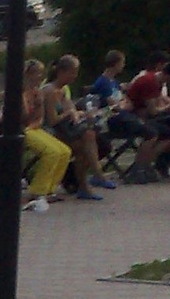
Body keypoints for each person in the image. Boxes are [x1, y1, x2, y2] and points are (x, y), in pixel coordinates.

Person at [90, 50, 166, 183]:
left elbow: (126, 102)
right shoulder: (103, 83)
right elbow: (114, 106)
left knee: (153, 130)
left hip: (123, 116)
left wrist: (124, 103)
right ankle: (139, 170)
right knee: (151, 133)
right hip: (111, 120)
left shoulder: (113, 82)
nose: (123, 65)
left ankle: (143, 168)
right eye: (122, 62)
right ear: (116, 63)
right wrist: (123, 104)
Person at [43, 55, 112, 200]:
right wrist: (69, 113)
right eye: (73, 72)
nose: (75, 76)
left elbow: (71, 109)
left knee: (86, 140)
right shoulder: (50, 91)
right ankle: (97, 176)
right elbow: (51, 121)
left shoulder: (62, 90)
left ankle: (87, 185)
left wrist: (79, 114)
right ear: (61, 72)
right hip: (51, 133)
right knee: (88, 138)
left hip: (65, 130)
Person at [21, 57, 71, 204]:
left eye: (41, 73)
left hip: (34, 128)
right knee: (51, 152)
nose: (40, 77)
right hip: (22, 130)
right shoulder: (21, 93)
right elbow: (23, 118)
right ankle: (37, 191)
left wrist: (38, 106)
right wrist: (34, 106)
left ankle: (50, 188)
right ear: (28, 75)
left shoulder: (37, 92)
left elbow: (40, 118)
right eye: (37, 73)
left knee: (64, 151)